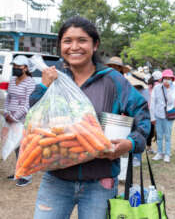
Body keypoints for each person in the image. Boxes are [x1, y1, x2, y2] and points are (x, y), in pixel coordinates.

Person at [30, 16, 150, 219]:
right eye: (67, 41)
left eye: (82, 40)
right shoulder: (53, 78)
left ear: (95, 45)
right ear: (60, 45)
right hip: (56, 180)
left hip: (100, 181)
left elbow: (143, 116)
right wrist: (42, 88)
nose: (74, 46)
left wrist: (130, 144)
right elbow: (32, 119)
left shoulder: (114, 81)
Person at [4, 55, 36, 187]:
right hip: (11, 119)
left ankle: (26, 175)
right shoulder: (12, 80)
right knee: (16, 146)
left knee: (24, 147)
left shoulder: (30, 82)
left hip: (23, 120)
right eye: (14, 66)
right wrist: (6, 112)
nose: (15, 68)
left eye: (18, 66)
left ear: (26, 68)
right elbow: (8, 98)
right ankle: (19, 172)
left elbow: (28, 103)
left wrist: (15, 117)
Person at [151, 69, 175, 163]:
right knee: (159, 135)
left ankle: (167, 153)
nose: (167, 80)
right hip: (158, 114)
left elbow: (171, 101)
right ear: (162, 79)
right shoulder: (156, 88)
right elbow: (152, 102)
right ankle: (159, 152)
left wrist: (167, 89)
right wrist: (152, 117)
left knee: (167, 135)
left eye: (169, 78)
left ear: (172, 79)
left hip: (168, 115)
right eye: (165, 78)